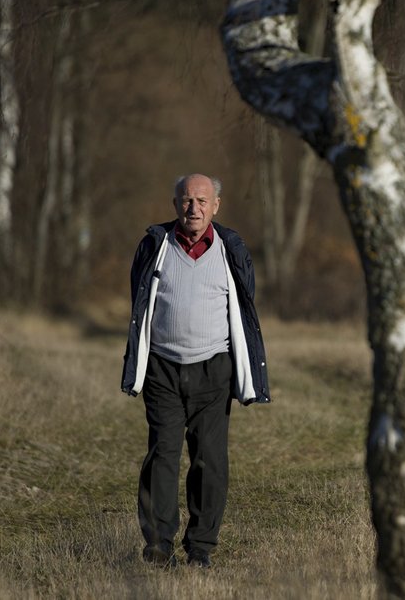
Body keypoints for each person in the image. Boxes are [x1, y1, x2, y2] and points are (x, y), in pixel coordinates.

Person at [120, 173, 269, 568]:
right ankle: (158, 546)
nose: (194, 209)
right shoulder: (156, 244)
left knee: (210, 460)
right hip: (163, 370)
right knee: (163, 454)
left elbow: (246, 304)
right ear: (175, 204)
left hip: (213, 370)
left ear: (216, 206)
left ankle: (201, 547)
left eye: (203, 201)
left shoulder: (230, 248)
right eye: (187, 201)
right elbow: (139, 299)